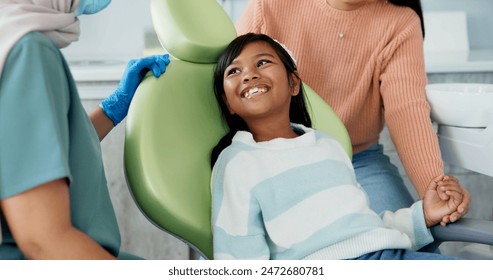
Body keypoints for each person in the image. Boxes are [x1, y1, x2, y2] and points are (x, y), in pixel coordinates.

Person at [210, 32, 465, 260]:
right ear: (228, 103)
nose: (250, 74)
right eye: (233, 71)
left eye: (263, 62)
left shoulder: (326, 145)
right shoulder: (237, 163)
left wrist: (423, 216)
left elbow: (363, 227)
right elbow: (238, 257)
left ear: (293, 84)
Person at [235, 0, 470, 220]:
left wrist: (435, 186)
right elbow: (229, 86)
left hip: (357, 160)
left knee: (411, 241)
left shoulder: (399, 22)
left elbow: (406, 110)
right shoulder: (268, 7)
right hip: (276, 157)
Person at [0, 0, 169, 259]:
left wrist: (112, 109)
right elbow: (43, 239)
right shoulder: (28, 50)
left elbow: (36, 149)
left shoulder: (11, 33)